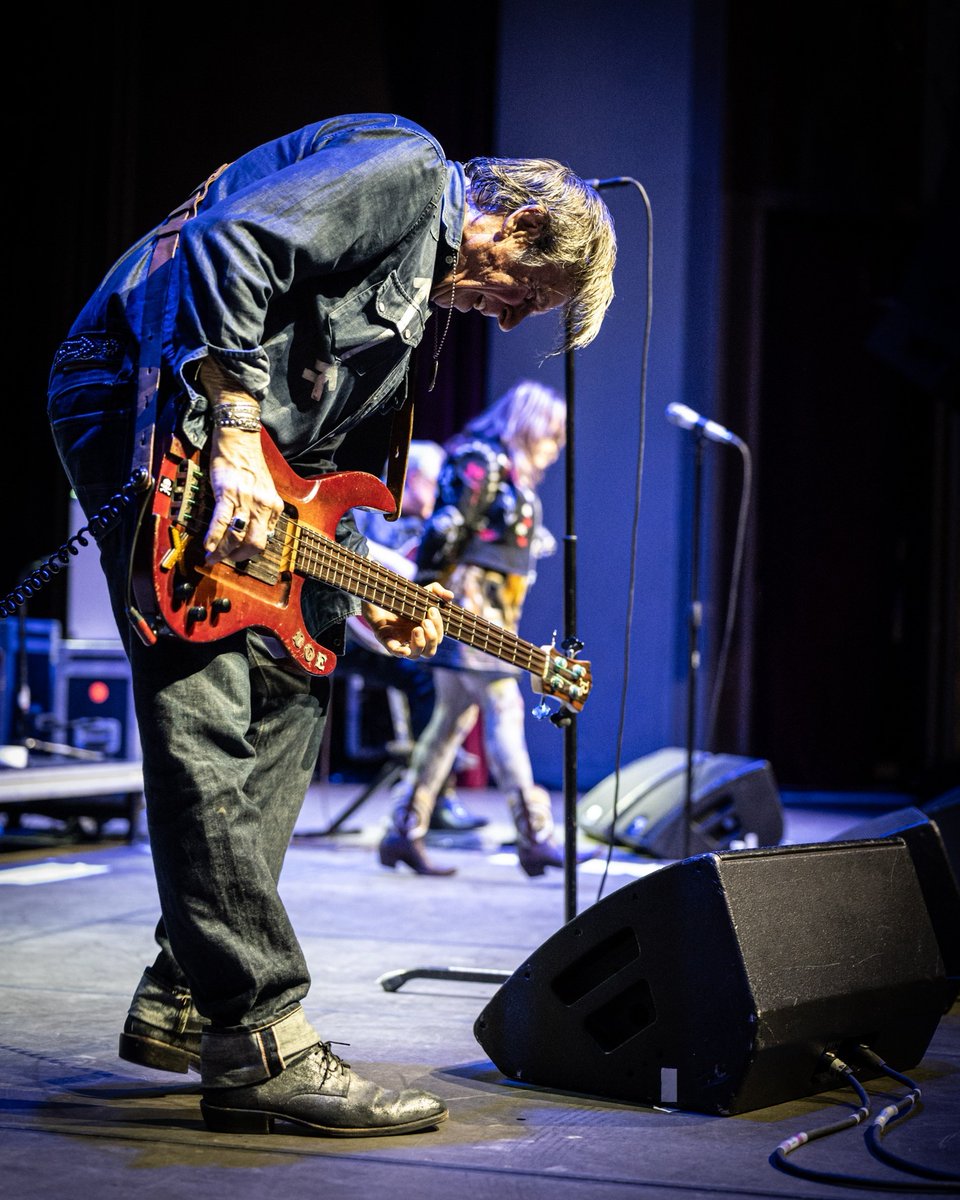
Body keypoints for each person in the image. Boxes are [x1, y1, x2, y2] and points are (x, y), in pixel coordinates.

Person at [46, 112, 616, 1138]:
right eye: (528, 294)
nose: (509, 321)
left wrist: (367, 584)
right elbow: (231, 240)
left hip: (227, 442)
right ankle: (259, 1037)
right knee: (206, 702)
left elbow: (312, 476)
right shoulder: (410, 169)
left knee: (300, 678)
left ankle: (189, 990)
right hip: (142, 389)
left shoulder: (415, 302)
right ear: (521, 224)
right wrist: (231, 438)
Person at [378, 380, 596, 879]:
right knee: (505, 708)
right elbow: (446, 526)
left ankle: (402, 831)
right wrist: (423, 596)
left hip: (494, 608)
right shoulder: (481, 458)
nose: (556, 447)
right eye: (552, 434)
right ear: (530, 425)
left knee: (450, 721)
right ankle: (535, 835)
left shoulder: (505, 468)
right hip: (470, 608)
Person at [343, 440, 488, 832]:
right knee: (427, 683)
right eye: (432, 483)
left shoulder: (427, 529)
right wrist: (404, 579)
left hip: (385, 639)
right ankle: (434, 799)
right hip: (348, 631)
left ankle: (434, 786)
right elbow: (352, 552)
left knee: (446, 674)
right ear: (411, 478)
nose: (439, 492)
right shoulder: (367, 511)